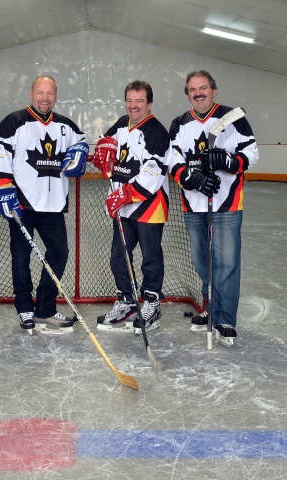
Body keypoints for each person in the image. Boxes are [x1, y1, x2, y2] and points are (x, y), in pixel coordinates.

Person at [169, 70, 259, 346]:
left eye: (203, 88)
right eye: (193, 89)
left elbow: (252, 153)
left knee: (227, 264)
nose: (198, 93)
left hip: (227, 206)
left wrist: (230, 162)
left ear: (214, 90)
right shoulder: (180, 123)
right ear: (188, 94)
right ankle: (209, 306)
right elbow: (172, 158)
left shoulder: (233, 118)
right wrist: (188, 176)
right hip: (193, 206)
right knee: (202, 261)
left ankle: (224, 319)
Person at [0, 75, 89, 333]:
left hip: (53, 205)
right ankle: (24, 306)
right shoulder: (13, 121)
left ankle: (44, 308)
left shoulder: (66, 126)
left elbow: (81, 141)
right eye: (40, 93)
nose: (44, 98)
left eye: (50, 93)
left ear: (55, 96)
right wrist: (3, 185)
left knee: (59, 253)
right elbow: (1, 152)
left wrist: (81, 152)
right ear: (31, 94)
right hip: (21, 204)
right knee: (20, 257)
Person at [92, 80, 172, 335]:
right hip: (124, 207)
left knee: (150, 258)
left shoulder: (157, 132)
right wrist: (102, 149)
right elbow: (106, 144)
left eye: (139, 101)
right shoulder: (120, 124)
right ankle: (127, 303)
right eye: (129, 100)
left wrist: (124, 194)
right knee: (119, 257)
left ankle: (151, 304)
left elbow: (152, 175)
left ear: (149, 103)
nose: (133, 106)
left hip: (149, 205)